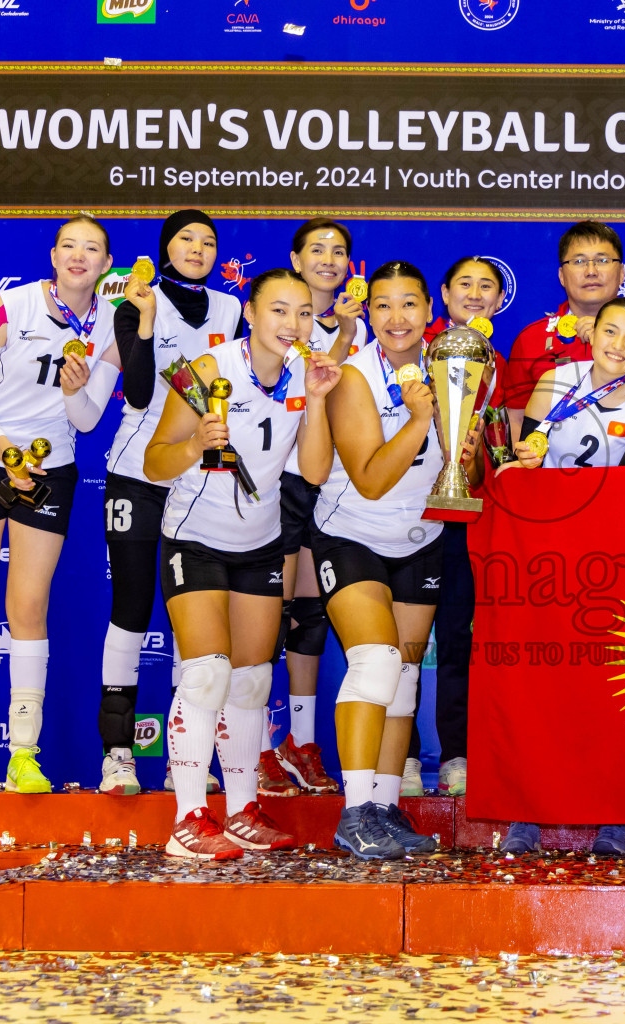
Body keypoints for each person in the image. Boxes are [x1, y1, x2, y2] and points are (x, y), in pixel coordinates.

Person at [0, 215, 119, 795]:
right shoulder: (10, 307)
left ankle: (22, 757)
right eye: (69, 245)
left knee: (29, 605)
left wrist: (72, 391)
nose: (79, 255)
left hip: (49, 467)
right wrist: (5, 448)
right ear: (54, 255)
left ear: (106, 264)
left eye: (92, 248)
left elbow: (86, 420)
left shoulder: (113, 323)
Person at [145, 268, 327, 859]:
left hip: (261, 544)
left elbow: (317, 472)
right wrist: (196, 443)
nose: (292, 324)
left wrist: (320, 401)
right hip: (194, 538)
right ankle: (188, 818)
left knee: (251, 682)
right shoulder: (208, 370)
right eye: (278, 310)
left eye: (303, 313)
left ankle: (243, 809)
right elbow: (154, 463)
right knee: (205, 674)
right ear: (250, 312)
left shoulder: (308, 373)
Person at [305, 261, 475, 860]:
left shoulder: (455, 369)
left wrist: (468, 449)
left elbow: (458, 473)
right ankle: (352, 814)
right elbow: (372, 480)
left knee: (403, 685)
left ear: (431, 310)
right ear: (368, 312)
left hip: (419, 538)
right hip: (352, 532)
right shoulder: (354, 376)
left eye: (409, 304)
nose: (397, 318)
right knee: (376, 663)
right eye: (382, 306)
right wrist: (423, 419)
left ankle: (384, 810)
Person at [500, 296, 625, 857]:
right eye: (610, 333)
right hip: (547, 553)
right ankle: (529, 811)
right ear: (591, 332)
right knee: (544, 686)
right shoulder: (555, 379)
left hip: (612, 559)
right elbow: (530, 456)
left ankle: (611, 813)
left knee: (610, 690)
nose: (618, 347)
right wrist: (523, 460)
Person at [97, 210, 243, 797]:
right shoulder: (136, 302)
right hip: (137, 474)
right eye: (186, 239)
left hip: (199, 477)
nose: (199, 249)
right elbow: (135, 392)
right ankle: (117, 755)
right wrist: (148, 319)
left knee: (194, 621)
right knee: (131, 609)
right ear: (164, 247)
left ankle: (190, 757)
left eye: (209, 242)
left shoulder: (233, 311)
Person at [262, 217, 367, 799]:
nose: (329, 258)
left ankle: (300, 744)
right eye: (317, 249)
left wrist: (347, 332)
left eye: (340, 250)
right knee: (264, 621)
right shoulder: (268, 318)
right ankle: (251, 746)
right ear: (296, 258)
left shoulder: (354, 324)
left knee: (309, 616)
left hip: (320, 485)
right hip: (269, 484)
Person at [406, 256, 513, 798]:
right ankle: (399, 756)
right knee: (401, 643)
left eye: (486, 286)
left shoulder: (503, 366)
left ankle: (455, 754)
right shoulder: (411, 355)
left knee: (456, 639)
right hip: (405, 514)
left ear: (500, 299)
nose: (475, 293)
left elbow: (508, 446)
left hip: (471, 518)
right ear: (443, 295)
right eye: (464, 284)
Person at [502, 221, 625, 432]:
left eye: (602, 260)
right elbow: (515, 417)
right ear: (561, 276)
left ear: (622, 273)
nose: (591, 271)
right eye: (579, 261)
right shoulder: (531, 337)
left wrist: (622, 351)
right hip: (549, 462)